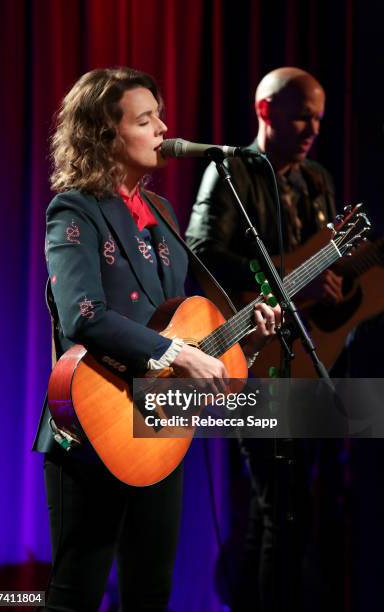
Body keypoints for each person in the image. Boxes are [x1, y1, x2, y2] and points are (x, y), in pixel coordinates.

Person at [32, 67, 280, 612]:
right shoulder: (74, 209)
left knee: (151, 593)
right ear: (104, 134)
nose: (164, 130)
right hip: (92, 424)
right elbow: (84, 316)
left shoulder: (164, 215)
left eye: (159, 117)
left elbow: (185, 327)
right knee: (76, 594)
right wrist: (175, 353)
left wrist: (246, 336)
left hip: (158, 426)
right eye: (146, 120)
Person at [186, 67, 344, 611]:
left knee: (279, 505)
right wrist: (287, 280)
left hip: (303, 362)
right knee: (283, 501)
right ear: (264, 111)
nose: (312, 128)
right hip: (252, 354)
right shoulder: (231, 169)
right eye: (302, 115)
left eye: (319, 118)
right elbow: (202, 256)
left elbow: (327, 267)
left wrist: (331, 286)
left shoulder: (316, 181)